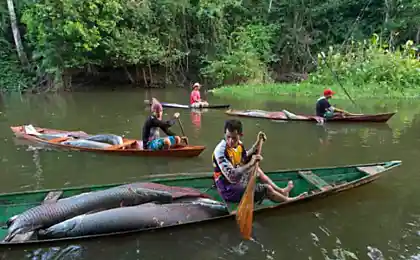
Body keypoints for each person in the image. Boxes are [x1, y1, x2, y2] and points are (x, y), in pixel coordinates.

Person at [212, 119, 307, 204]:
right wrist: (250, 164)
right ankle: (289, 201)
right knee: (266, 189)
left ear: (240, 135)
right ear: (224, 134)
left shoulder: (239, 145)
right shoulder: (220, 151)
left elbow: (244, 157)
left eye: (234, 138)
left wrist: (257, 144)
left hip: (235, 181)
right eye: (228, 137)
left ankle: (281, 191)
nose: (231, 141)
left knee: (256, 170)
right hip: (228, 189)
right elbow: (232, 177)